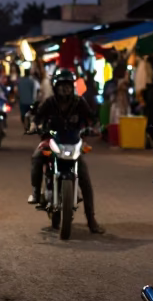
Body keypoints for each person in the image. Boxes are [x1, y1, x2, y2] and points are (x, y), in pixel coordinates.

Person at [29, 68, 104, 233]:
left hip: (73, 142)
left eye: (68, 85)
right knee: (36, 158)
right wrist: (35, 125)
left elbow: (91, 118)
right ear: (55, 87)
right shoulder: (49, 102)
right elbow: (38, 117)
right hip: (52, 140)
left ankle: (91, 220)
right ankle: (35, 193)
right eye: (62, 85)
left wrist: (95, 127)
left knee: (84, 178)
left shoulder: (79, 102)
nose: (65, 89)